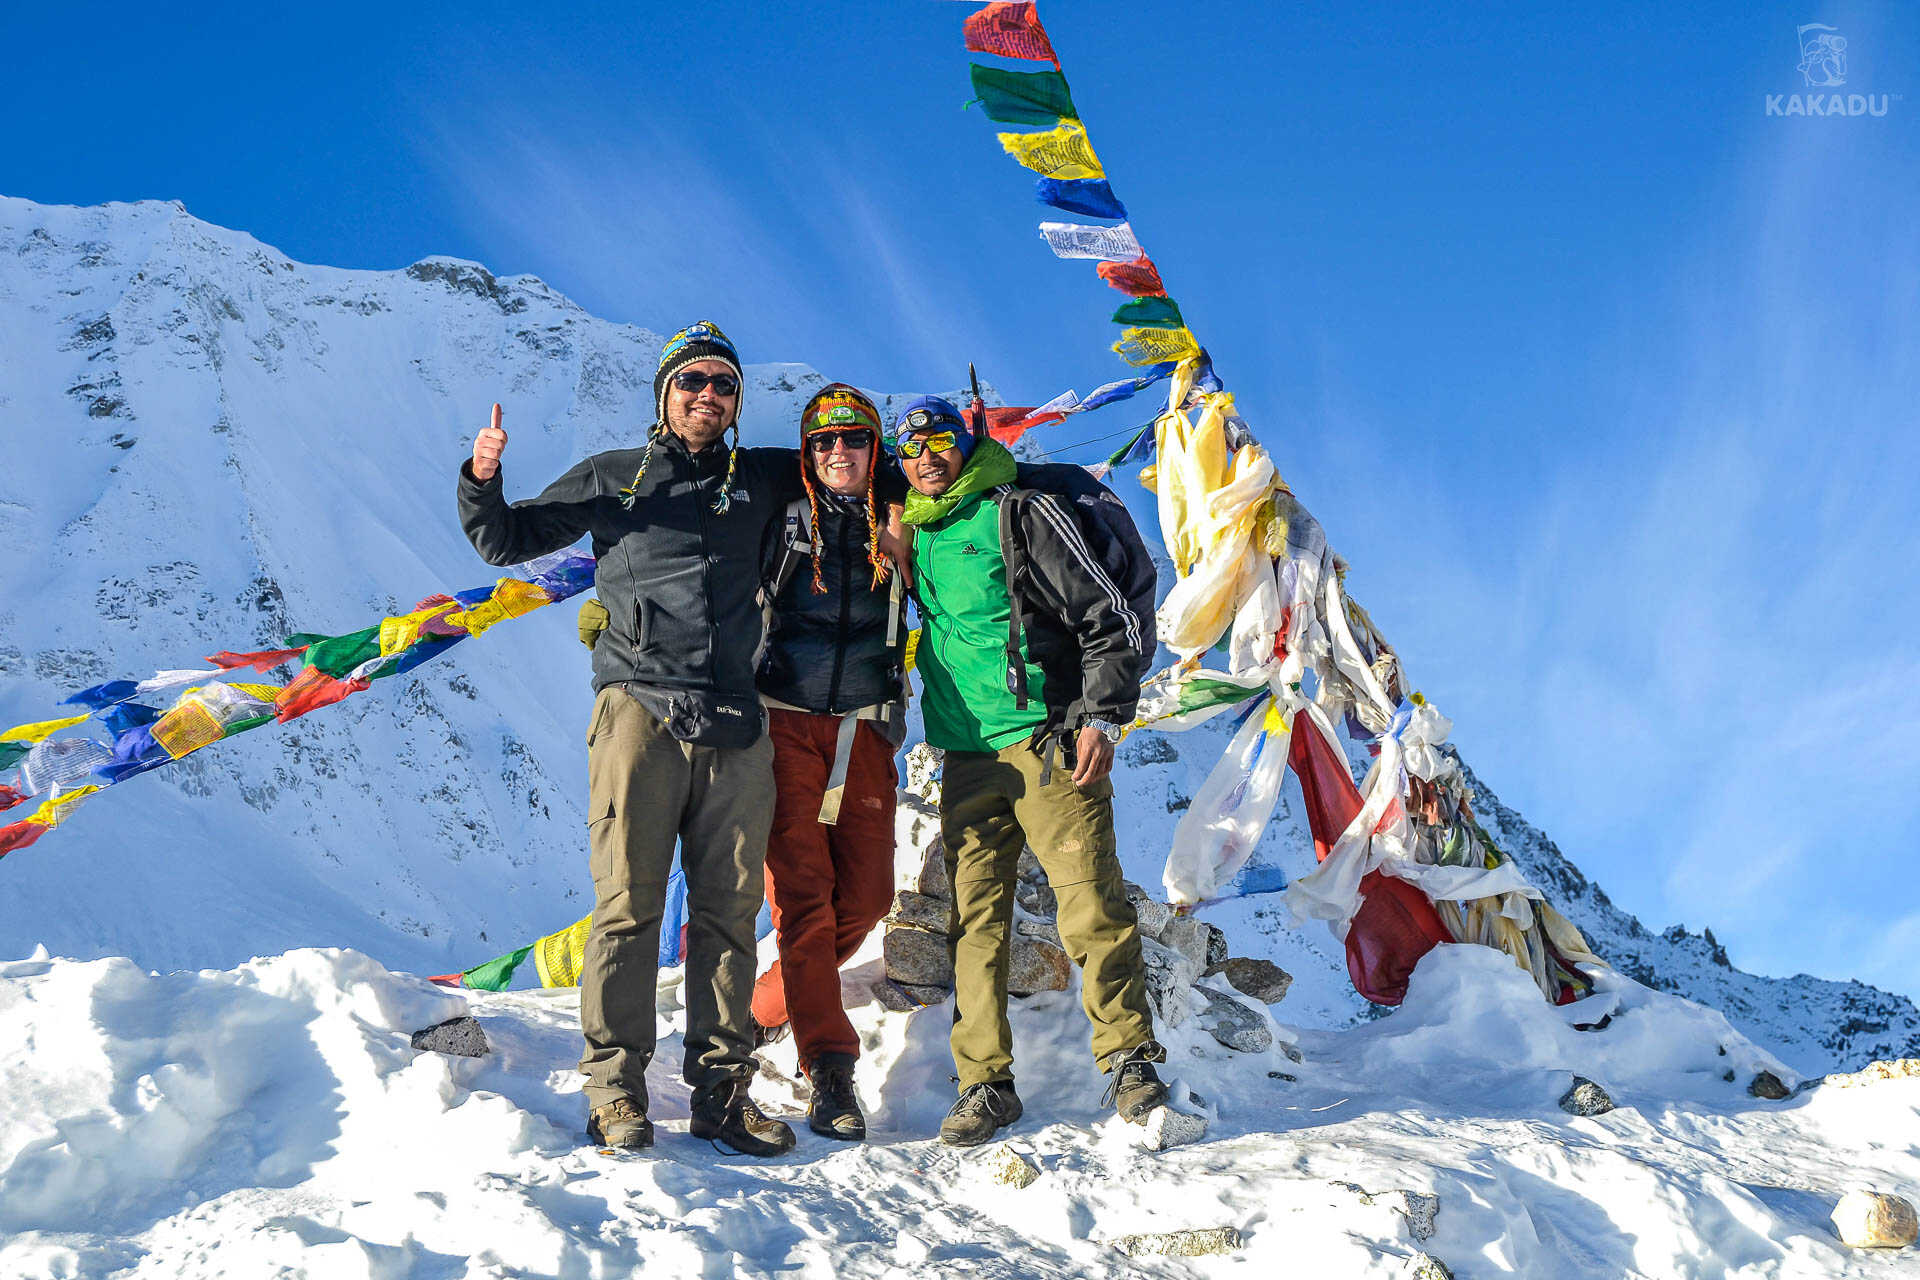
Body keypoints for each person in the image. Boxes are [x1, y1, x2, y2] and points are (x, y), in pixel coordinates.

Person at [457, 321, 801, 1156]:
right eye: (693, 382)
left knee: (728, 914)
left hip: (736, 720)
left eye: (724, 384)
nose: (709, 396)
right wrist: (483, 475)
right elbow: (507, 538)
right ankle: (616, 1093)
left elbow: (854, 466)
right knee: (628, 909)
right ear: (664, 393)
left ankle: (722, 1095)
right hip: (638, 713)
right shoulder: (619, 476)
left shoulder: (762, 477)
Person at [890, 396, 1169, 1147]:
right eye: (912, 449)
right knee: (974, 922)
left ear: (966, 441)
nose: (927, 457)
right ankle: (984, 1084)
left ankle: (1131, 1061)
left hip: (1045, 739)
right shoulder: (912, 527)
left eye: (941, 442)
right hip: (965, 753)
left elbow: (1104, 614)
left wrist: (1102, 715)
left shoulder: (1019, 512)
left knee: (1090, 903)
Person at [748, 384, 908, 1141]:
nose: (837, 451)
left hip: (865, 731)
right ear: (806, 454)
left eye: (853, 438)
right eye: (822, 441)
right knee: (803, 903)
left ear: (876, 449)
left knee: (871, 898)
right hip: (780, 728)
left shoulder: (906, 522)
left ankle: (761, 1009)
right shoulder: (777, 521)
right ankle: (831, 1071)